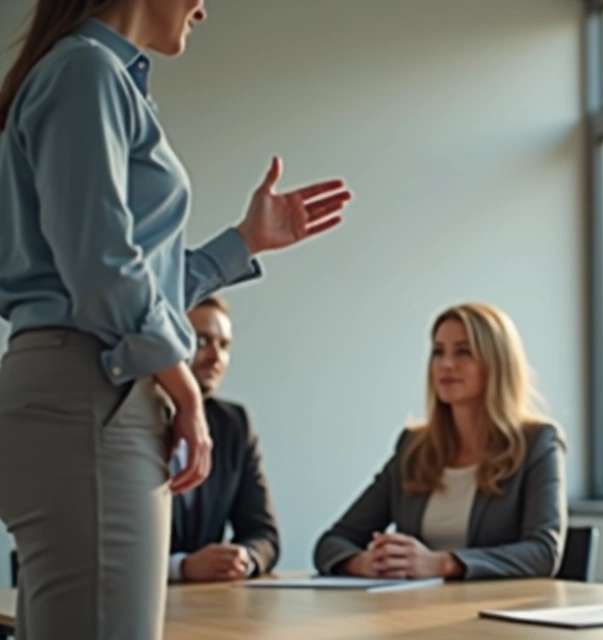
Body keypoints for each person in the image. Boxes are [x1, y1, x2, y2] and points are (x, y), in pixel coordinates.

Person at [0, 0, 351, 637]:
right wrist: (184, 387)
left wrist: (243, 244)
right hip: (94, 392)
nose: (205, 10)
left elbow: (125, 277)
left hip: (81, 387)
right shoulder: (86, 72)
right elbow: (103, 269)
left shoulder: (90, 75)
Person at [313, 302, 567, 581]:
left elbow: (543, 553)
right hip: (417, 610)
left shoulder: (538, 442)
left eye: (463, 352)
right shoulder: (413, 447)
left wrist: (444, 564)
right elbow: (332, 542)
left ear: (497, 363)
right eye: (438, 352)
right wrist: (366, 563)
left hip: (495, 612)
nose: (446, 364)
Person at [168, 295, 279, 583]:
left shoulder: (233, 424)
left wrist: (245, 559)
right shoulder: (127, 421)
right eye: (202, 341)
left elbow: (263, 533)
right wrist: (181, 567)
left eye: (224, 345)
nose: (216, 357)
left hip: (210, 604)